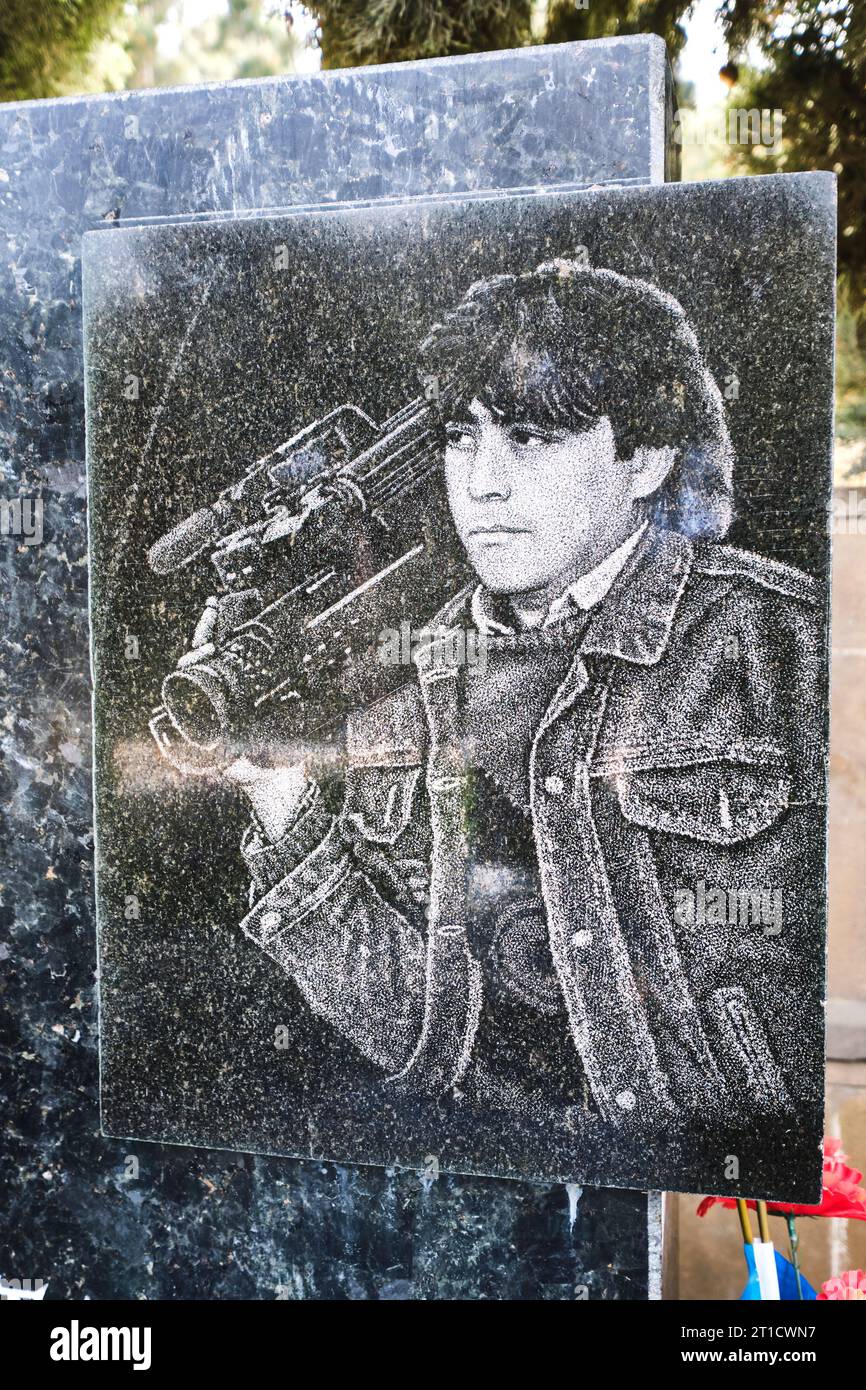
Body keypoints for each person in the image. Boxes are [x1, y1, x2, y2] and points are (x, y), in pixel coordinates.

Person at [208, 261, 826, 1137]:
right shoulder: (401, 685)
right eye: (463, 437)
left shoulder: (780, 642)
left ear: (644, 457)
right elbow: (428, 1036)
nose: (482, 482)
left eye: (530, 438)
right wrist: (276, 796)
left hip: (707, 1194)